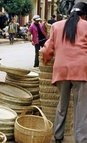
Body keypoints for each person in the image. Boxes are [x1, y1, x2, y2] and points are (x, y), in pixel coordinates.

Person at [40, 2, 87, 143]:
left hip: (61, 69)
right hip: (81, 70)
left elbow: (47, 49)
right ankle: (81, 139)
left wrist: (46, 58)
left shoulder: (56, 26)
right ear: (84, 15)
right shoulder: (86, 25)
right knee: (81, 108)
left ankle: (58, 136)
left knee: (62, 104)